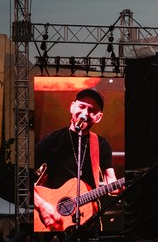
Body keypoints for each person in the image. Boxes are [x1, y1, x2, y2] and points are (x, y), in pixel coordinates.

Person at [33, 87, 120, 231]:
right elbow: (24, 176)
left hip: (88, 217)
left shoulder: (101, 144)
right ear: (72, 107)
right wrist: (42, 206)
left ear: (98, 117)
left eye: (91, 110)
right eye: (81, 106)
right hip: (55, 217)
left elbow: (111, 181)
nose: (85, 113)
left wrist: (120, 186)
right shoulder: (51, 140)